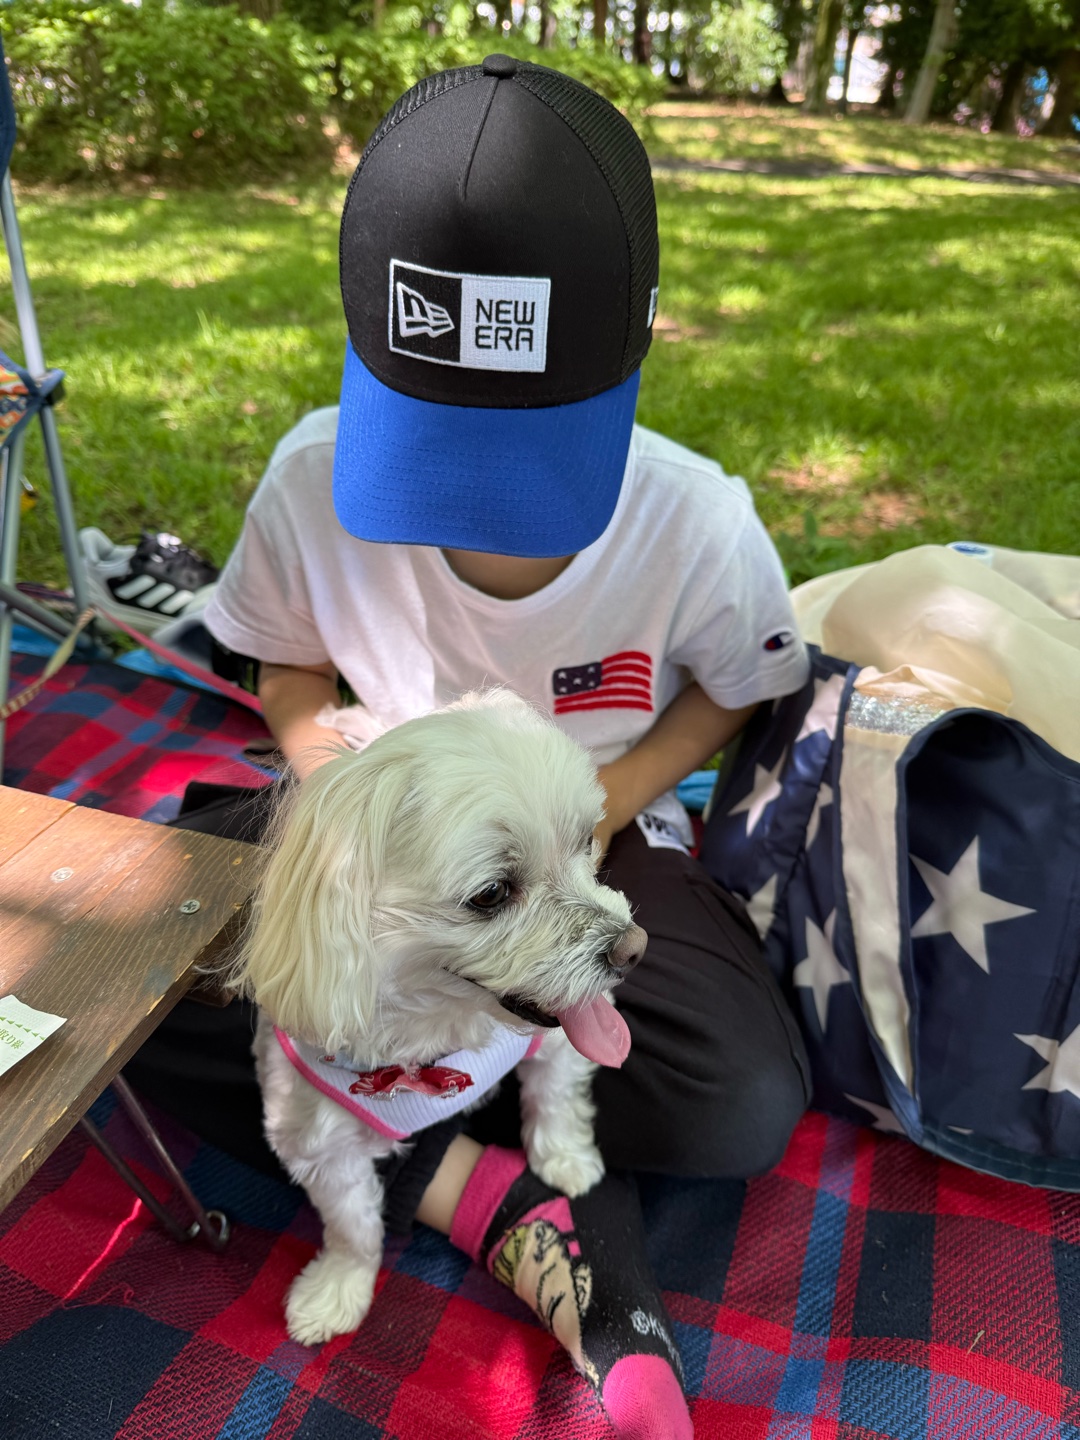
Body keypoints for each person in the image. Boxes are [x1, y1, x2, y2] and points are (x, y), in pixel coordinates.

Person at [128, 54, 811, 1439]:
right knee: (120, 990)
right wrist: (327, 777)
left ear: (645, 338)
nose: (479, 509)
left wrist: (609, 797)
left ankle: (426, 1140)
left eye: (531, 459)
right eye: (435, 449)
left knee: (739, 1102)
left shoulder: (696, 521)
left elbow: (739, 690)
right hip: (371, 836)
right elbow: (284, 661)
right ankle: (481, 1184)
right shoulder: (311, 478)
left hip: (587, 835)